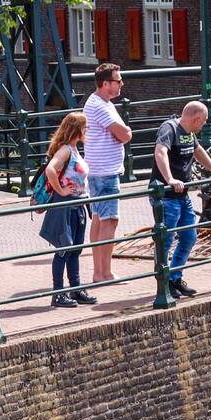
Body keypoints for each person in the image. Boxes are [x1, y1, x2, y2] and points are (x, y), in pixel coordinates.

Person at [150, 101, 211, 298]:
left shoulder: (189, 133)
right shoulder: (169, 129)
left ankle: (175, 278)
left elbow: (198, 152)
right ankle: (163, 283)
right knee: (166, 239)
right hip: (166, 196)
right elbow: (160, 152)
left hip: (182, 194)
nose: (204, 125)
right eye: (203, 121)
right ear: (196, 118)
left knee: (189, 236)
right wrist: (169, 179)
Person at [38, 112, 97, 308]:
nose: (86, 131)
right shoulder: (65, 150)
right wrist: (61, 190)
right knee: (64, 250)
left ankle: (76, 289)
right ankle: (58, 293)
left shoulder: (74, 149)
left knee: (75, 250)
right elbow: (50, 169)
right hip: (66, 206)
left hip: (78, 205)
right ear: (76, 129)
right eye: (85, 127)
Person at [83, 62, 132, 284]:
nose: (121, 84)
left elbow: (122, 133)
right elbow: (125, 135)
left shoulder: (101, 103)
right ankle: (105, 274)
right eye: (117, 80)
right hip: (105, 173)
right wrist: (124, 132)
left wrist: (123, 132)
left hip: (98, 170)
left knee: (99, 220)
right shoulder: (100, 106)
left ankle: (99, 272)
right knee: (109, 221)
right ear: (105, 84)